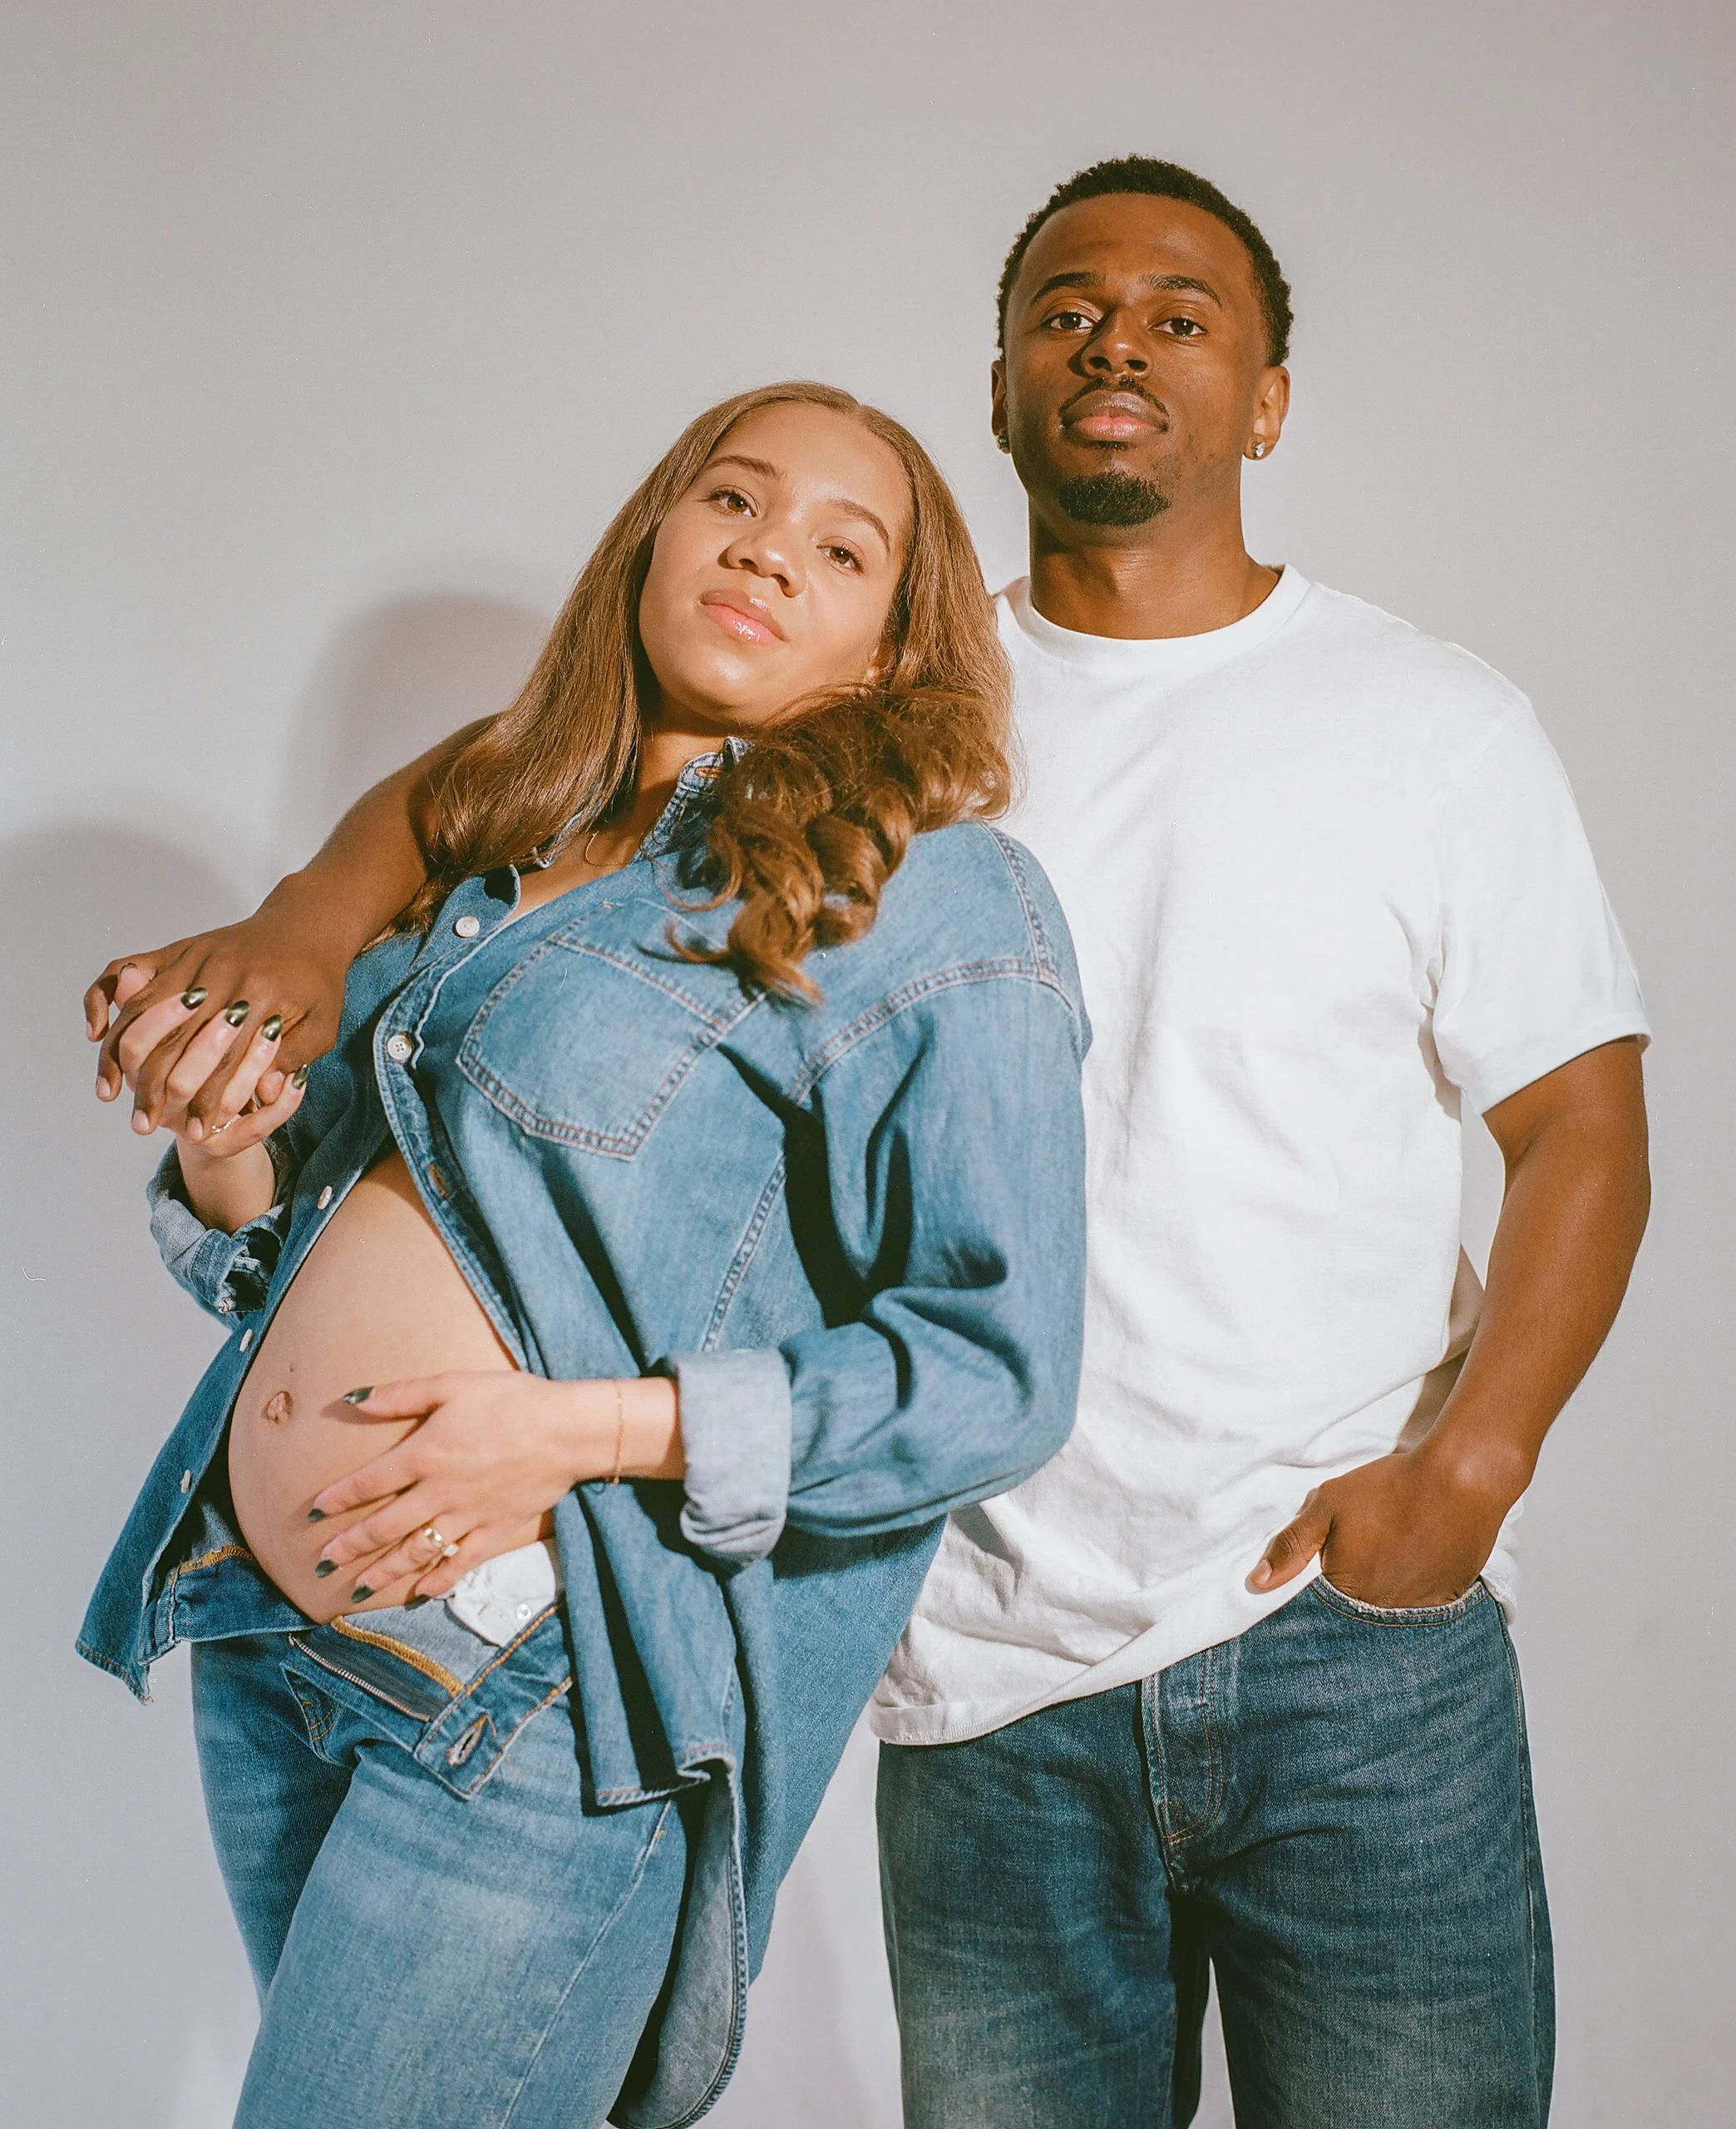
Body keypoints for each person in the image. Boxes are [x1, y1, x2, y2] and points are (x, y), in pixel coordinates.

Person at [88, 159, 1653, 2129]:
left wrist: (1466, 1475)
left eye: (1181, 317)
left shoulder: (1397, 722)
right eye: (1067, 310)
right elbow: (509, 786)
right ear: (997, 387)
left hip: (1326, 1613)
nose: (1117, 342)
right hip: (982, 1647)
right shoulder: (856, 717)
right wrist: (306, 934)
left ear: (1268, 399)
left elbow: (1581, 1119)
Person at [76, 381, 1090, 2129]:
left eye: (841, 549)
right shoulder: (508, 848)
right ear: (655, 533)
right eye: (734, 501)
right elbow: (302, 1258)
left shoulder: (931, 895)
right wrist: (220, 1115)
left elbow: (996, 1373)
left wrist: (581, 1433)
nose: (767, 553)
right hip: (267, 1644)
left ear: (892, 650)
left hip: (532, 1677)